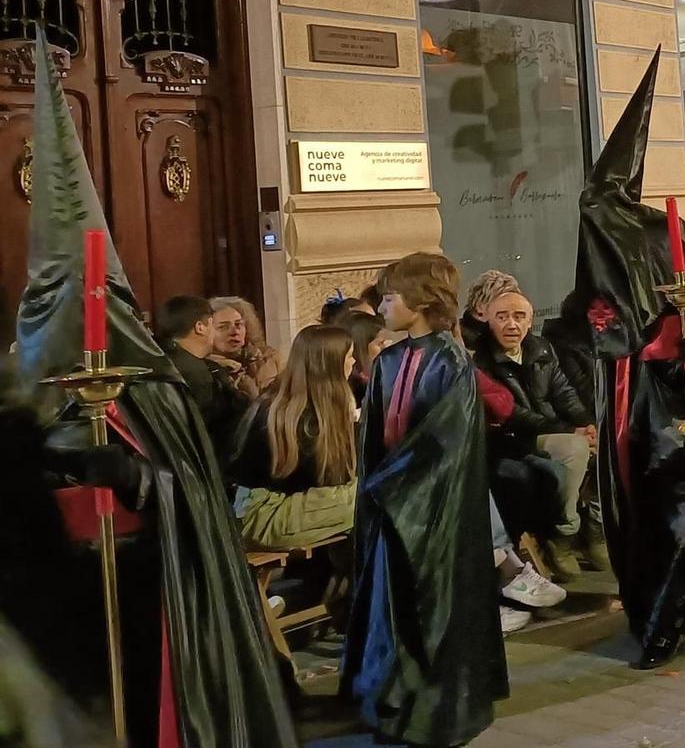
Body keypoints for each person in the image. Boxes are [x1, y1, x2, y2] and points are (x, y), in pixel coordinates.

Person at [10, 33, 298, 746]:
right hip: (46, 598)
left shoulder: (156, 391)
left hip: (147, 584)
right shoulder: (18, 398)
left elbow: (194, 494)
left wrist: (142, 481)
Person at [546, 50, 685, 669]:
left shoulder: (666, 234)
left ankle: (671, 619)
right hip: (632, 408)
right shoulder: (606, 242)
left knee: (678, 512)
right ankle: (660, 615)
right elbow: (592, 322)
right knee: (648, 515)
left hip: (675, 405)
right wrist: (643, 346)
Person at [342, 251, 509, 747]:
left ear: (420, 301)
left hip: (432, 511)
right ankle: (388, 700)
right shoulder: (389, 360)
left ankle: (435, 711)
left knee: (432, 608)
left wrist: (391, 486)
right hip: (390, 504)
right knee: (389, 608)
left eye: (391, 297)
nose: (383, 308)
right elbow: (374, 436)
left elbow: (445, 442)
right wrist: (374, 487)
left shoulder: (451, 362)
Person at [474, 289, 597, 579]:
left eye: (519, 317)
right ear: (488, 320)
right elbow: (511, 413)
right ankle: (563, 531)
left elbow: (564, 392)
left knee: (607, 446)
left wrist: (586, 423)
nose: (511, 325)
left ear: (530, 321)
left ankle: (596, 531)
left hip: (552, 430)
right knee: (576, 449)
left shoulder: (541, 349)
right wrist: (570, 431)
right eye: (502, 317)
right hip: (513, 438)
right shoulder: (480, 359)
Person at [228, 324, 357, 550]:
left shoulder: (282, 402)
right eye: (349, 356)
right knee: (376, 497)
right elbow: (323, 479)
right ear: (331, 364)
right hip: (264, 516)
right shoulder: (302, 418)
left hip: (264, 507)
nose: (354, 362)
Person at [155, 293, 251, 448]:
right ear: (201, 327)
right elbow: (212, 432)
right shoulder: (197, 375)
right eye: (214, 324)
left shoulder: (161, 361)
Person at [210, 295, 281, 393]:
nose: (234, 332)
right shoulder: (201, 368)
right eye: (223, 327)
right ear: (206, 331)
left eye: (238, 324)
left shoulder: (269, 358)